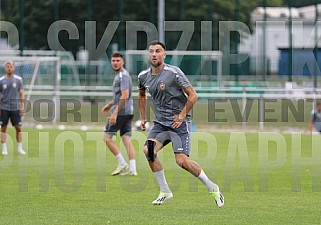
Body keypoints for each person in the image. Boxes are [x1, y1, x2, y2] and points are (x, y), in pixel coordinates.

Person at [138, 41, 224, 207]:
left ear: (164, 55)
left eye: (158, 51)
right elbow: (142, 95)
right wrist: (143, 118)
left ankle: (212, 187)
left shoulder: (174, 73)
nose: (154, 54)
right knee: (148, 150)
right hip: (160, 124)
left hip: (179, 124)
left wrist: (182, 115)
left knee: (182, 162)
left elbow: (193, 95)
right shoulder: (143, 76)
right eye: (151, 51)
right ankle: (165, 191)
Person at [101, 53, 137, 176]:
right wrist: (110, 104)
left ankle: (122, 163)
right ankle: (133, 169)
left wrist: (114, 113)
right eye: (113, 60)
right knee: (126, 139)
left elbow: (125, 95)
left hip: (121, 112)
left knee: (106, 138)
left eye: (117, 60)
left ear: (123, 62)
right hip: (128, 111)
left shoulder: (122, 76)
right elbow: (120, 95)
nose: (115, 62)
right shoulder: (122, 75)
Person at [0, 61, 26, 156]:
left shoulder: (18, 80)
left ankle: (20, 148)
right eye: (7, 66)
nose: (9, 68)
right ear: (5, 68)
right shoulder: (1, 80)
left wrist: (22, 107)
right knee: (3, 128)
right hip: (4, 108)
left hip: (15, 108)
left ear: (14, 68)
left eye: (11, 66)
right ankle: (4, 149)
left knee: (18, 128)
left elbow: (22, 93)